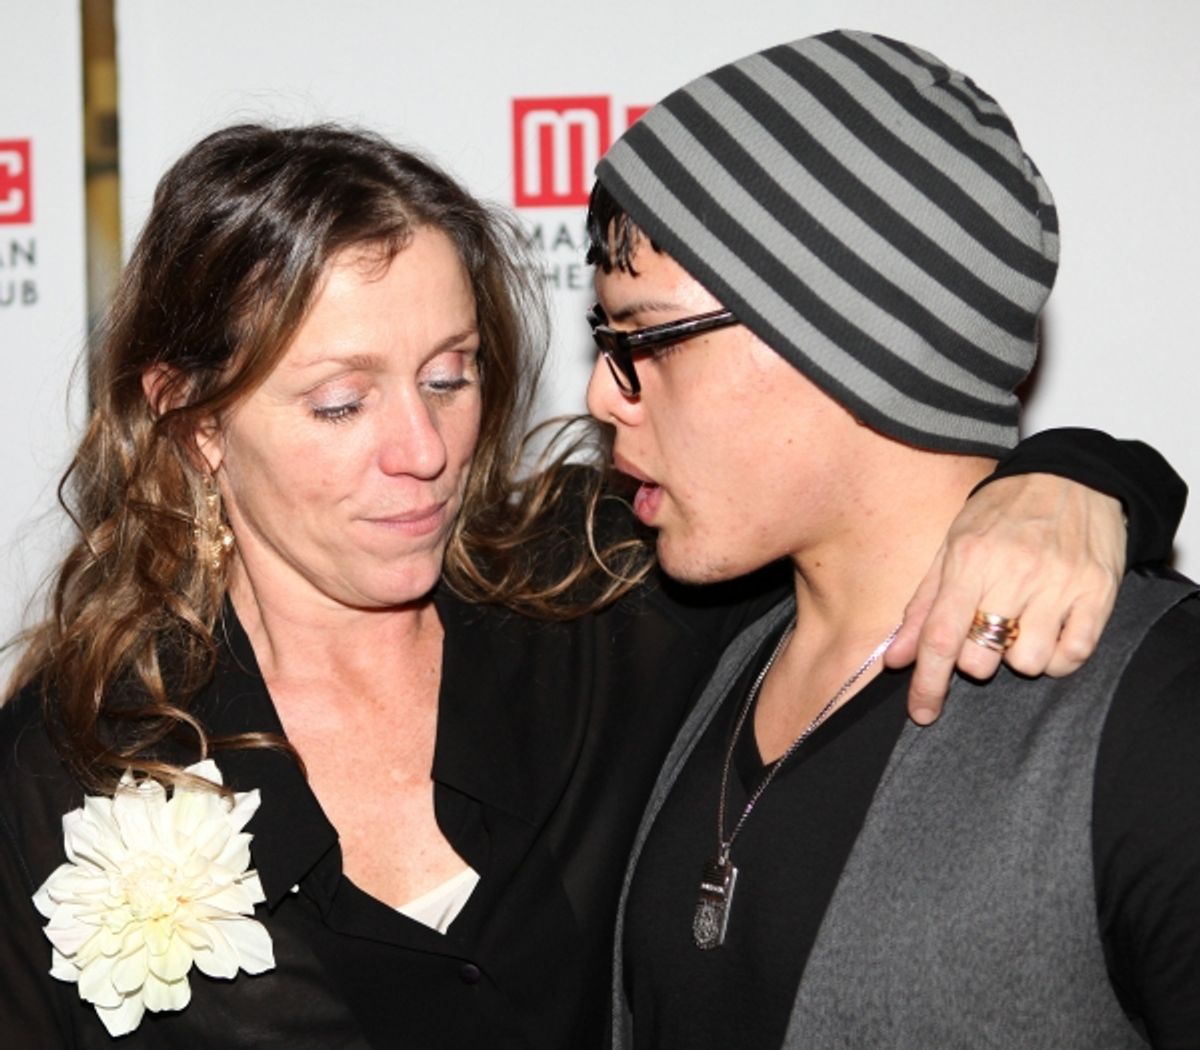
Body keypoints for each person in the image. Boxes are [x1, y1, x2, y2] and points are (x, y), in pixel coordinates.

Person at [0, 124, 1180, 1050]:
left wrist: (1076, 477)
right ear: (195, 420)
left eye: (450, 378)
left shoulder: (606, 591)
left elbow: (841, 478)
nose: (422, 448)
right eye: (340, 402)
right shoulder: (72, 753)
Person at [586, 30, 1200, 1048]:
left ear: (848, 334)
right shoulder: (695, 638)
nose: (603, 395)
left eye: (640, 340)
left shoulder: (1159, 718)